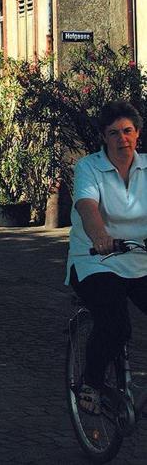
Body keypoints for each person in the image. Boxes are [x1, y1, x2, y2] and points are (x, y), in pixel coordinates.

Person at [66, 99, 147, 415]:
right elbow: (87, 206)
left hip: (139, 260)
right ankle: (92, 382)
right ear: (104, 137)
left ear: (137, 134)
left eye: (127, 131)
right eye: (114, 133)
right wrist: (100, 237)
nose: (122, 139)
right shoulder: (89, 167)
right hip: (95, 260)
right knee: (115, 324)